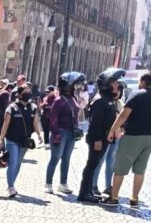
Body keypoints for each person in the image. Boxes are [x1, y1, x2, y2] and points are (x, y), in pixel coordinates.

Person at [77, 67, 125, 203]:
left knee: (94, 164)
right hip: (98, 139)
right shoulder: (100, 100)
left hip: (104, 138)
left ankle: (89, 191)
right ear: (106, 84)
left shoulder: (107, 99)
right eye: (114, 82)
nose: (117, 85)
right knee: (91, 165)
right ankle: (84, 193)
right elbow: (95, 124)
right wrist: (97, 139)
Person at [104, 70, 151, 207]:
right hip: (149, 137)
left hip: (133, 136)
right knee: (140, 169)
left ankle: (113, 197)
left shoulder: (136, 94)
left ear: (143, 82)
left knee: (120, 167)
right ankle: (134, 198)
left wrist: (113, 129)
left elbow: (124, 115)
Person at [0, 81, 42, 197]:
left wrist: (39, 134)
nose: (28, 94)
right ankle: (11, 186)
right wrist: (1, 140)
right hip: (12, 140)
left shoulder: (33, 107)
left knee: (18, 164)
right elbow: (5, 125)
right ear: (19, 95)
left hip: (25, 141)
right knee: (13, 162)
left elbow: (35, 123)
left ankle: (11, 184)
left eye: (29, 92)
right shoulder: (12, 108)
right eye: (26, 92)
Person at [45, 71, 85, 194]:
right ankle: (48, 183)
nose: (77, 87)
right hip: (60, 132)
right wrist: (56, 134)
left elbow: (76, 116)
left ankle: (63, 183)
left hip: (71, 132)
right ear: (68, 85)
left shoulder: (73, 98)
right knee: (55, 158)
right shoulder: (58, 100)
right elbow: (53, 119)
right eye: (75, 85)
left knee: (66, 159)